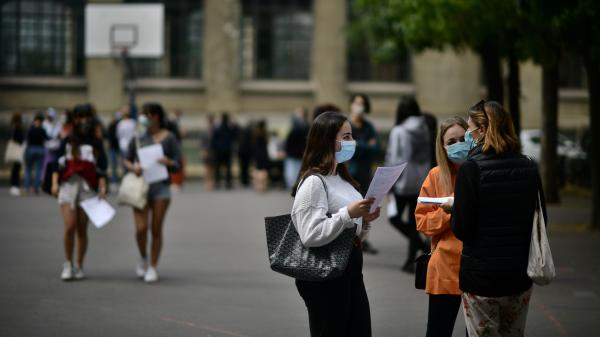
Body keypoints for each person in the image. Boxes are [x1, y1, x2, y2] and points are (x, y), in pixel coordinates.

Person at [452, 100, 546, 337]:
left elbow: (462, 228)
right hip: (518, 276)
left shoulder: (471, 169)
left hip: (481, 278)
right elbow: (541, 218)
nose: (467, 136)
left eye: (470, 130)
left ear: (482, 131)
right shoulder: (529, 167)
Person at [291, 111, 380, 337]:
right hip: (326, 277)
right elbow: (310, 234)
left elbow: (352, 234)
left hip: (350, 270)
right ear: (327, 140)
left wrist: (364, 220)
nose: (352, 142)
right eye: (347, 137)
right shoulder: (313, 182)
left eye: (352, 136)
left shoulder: (343, 179)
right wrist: (348, 214)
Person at [415, 117, 468, 337]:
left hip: (477, 269)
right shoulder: (436, 176)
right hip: (445, 269)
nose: (459, 144)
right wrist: (448, 211)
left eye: (464, 138)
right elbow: (422, 222)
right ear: (443, 147)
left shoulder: (482, 173)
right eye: (452, 141)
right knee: (438, 331)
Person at [123, 102, 181, 283]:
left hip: (161, 187)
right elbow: (126, 159)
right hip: (141, 186)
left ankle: (153, 267)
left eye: (146, 115)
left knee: (156, 228)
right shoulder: (138, 136)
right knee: (141, 229)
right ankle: (143, 257)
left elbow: (178, 163)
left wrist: (168, 162)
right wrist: (134, 167)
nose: (143, 119)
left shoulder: (169, 137)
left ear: (155, 116)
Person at [51, 104, 108, 280]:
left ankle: (79, 265)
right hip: (68, 186)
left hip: (88, 188)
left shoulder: (96, 142)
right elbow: (56, 164)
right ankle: (67, 263)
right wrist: (54, 183)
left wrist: (102, 187)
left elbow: (102, 168)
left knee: (82, 229)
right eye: (80, 117)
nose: (84, 120)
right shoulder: (67, 140)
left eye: (87, 116)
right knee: (70, 226)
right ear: (74, 119)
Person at [385, 96, 431, 272]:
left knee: (394, 218)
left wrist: (390, 182)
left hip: (402, 182)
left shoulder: (399, 131)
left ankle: (423, 247)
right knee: (413, 222)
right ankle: (411, 260)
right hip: (420, 181)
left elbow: (396, 159)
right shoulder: (425, 127)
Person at [348, 93, 381, 255]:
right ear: (351, 104)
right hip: (350, 172)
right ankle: (349, 237)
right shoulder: (347, 125)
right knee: (350, 205)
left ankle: (363, 239)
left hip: (365, 172)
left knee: (366, 206)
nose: (359, 106)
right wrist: (365, 145)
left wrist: (358, 146)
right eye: (356, 102)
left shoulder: (368, 126)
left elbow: (377, 148)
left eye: (362, 103)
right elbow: (348, 146)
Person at [284, 107, 309, 189]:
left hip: (298, 153)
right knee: (292, 173)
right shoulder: (300, 125)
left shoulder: (304, 126)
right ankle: (294, 186)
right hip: (294, 153)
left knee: (295, 172)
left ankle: (296, 186)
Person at [211, 112, 238, 189]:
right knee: (228, 167)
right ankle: (228, 183)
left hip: (219, 150)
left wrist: (214, 148)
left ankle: (217, 182)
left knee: (218, 167)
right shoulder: (230, 128)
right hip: (227, 150)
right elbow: (235, 136)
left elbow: (214, 139)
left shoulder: (218, 128)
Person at [24, 113, 48, 194]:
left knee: (28, 169)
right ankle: (36, 187)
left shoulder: (30, 129)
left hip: (31, 149)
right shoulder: (43, 130)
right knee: (38, 169)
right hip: (40, 149)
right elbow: (47, 139)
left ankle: (27, 187)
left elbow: (27, 140)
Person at [8, 112, 25, 196]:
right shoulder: (17, 128)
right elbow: (19, 139)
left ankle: (14, 186)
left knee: (15, 169)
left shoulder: (13, 127)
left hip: (15, 150)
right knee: (16, 169)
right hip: (17, 151)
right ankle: (15, 186)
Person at [200, 114, 216, 191]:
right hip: (207, 150)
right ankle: (207, 182)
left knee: (212, 168)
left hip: (213, 151)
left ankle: (212, 182)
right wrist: (203, 150)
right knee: (207, 168)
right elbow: (202, 142)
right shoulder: (205, 130)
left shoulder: (215, 129)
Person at [253, 119, 270, 193]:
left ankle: (258, 186)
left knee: (258, 170)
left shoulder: (256, 133)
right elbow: (267, 143)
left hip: (257, 153)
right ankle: (264, 186)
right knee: (264, 171)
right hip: (264, 153)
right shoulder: (265, 133)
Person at [107, 110, 122, 187]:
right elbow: (108, 136)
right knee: (113, 164)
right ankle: (114, 179)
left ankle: (119, 179)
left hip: (119, 147)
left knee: (121, 163)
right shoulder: (112, 125)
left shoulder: (121, 124)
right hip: (113, 147)